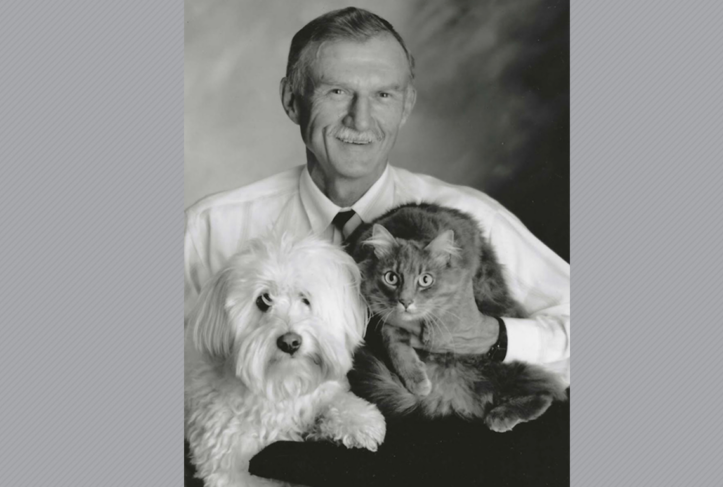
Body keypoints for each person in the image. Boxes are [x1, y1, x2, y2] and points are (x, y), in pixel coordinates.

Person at [184, 7, 570, 383]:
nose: (361, 120)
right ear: (291, 100)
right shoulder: (209, 229)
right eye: (337, 91)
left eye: (383, 95)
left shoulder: (470, 220)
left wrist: (492, 336)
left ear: (406, 106)